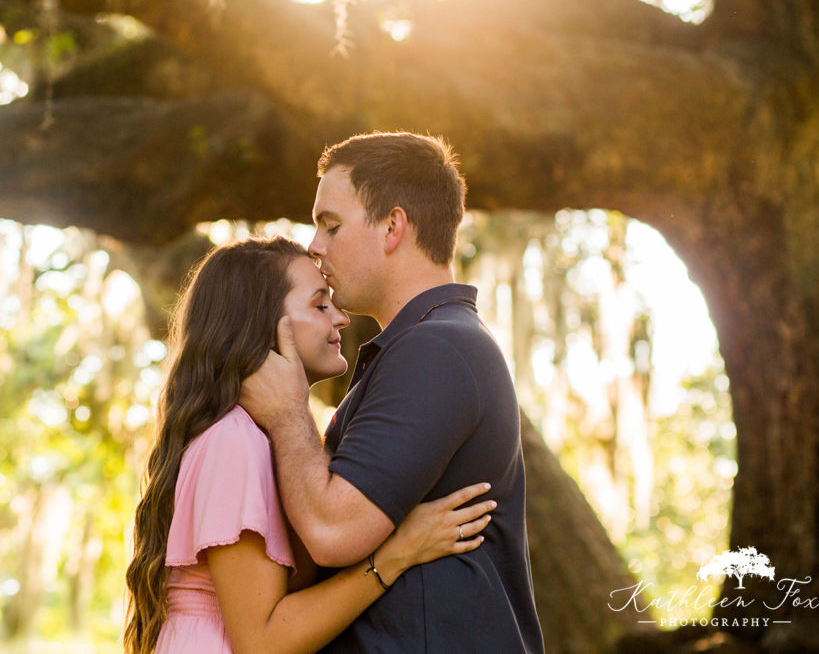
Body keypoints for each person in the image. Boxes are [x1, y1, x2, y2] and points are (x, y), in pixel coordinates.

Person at [240, 132, 546, 652]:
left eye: (331, 226)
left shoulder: (438, 351)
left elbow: (332, 531)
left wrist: (289, 411)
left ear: (392, 226)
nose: (315, 246)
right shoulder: (424, 346)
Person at [123, 237, 497, 654]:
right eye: (320, 306)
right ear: (260, 324)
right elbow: (261, 641)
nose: (340, 318)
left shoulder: (263, 441)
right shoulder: (233, 442)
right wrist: (397, 554)